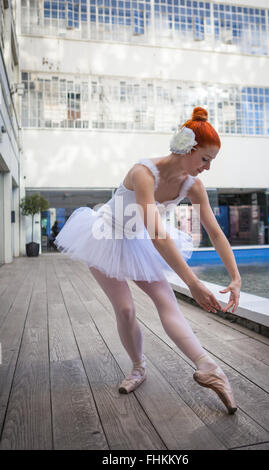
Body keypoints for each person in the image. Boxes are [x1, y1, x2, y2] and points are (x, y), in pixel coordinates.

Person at [54, 107, 241, 414]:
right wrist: (193, 283)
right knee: (125, 308)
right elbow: (156, 232)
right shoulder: (143, 172)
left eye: (212, 162)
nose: (207, 168)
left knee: (166, 302)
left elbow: (216, 233)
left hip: (138, 240)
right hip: (106, 235)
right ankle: (138, 367)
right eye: (205, 159)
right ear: (187, 149)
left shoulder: (192, 185)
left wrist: (235, 277)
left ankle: (210, 369)